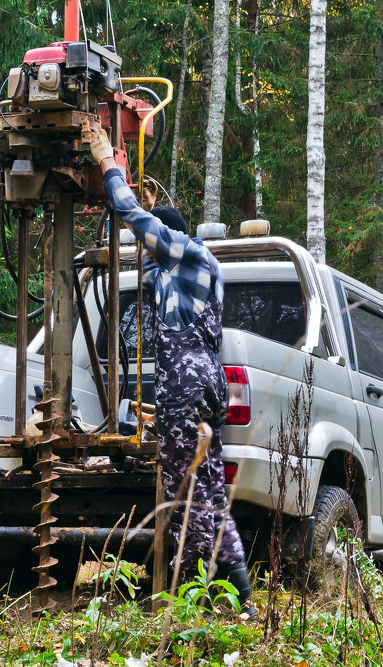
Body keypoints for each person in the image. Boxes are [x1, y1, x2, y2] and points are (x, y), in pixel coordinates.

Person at [81, 121, 255, 617]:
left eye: (159, 240)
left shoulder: (192, 255)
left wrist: (106, 161)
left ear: (170, 237)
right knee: (208, 490)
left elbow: (132, 216)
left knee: (187, 491)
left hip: (188, 381)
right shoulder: (175, 276)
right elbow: (143, 249)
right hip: (200, 382)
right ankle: (228, 596)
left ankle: (213, 598)